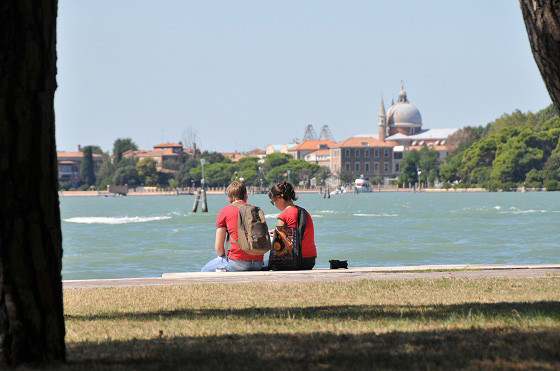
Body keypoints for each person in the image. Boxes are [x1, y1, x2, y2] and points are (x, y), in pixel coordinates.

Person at [201, 181, 265, 272]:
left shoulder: (225, 211)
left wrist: (223, 257)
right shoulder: (256, 210)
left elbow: (219, 248)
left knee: (205, 270)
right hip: (258, 262)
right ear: (245, 195)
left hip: (237, 263)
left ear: (229, 198)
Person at [268, 181, 317, 269]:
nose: (274, 205)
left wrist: (274, 236)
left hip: (294, 262)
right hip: (310, 260)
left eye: (273, 202)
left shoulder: (283, 215)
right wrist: (276, 232)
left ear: (280, 199)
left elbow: (282, 245)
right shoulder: (304, 212)